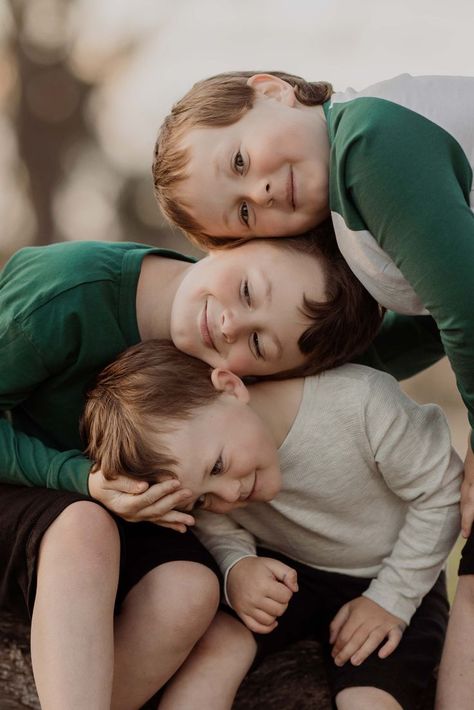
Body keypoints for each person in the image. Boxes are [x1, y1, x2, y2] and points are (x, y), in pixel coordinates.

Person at [152, 70, 474, 708]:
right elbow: (432, 322)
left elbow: (465, 308)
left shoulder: (368, 145)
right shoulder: (353, 218)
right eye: (244, 211)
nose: (263, 191)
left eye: (240, 160)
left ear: (271, 88)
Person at [0, 228, 379, 708]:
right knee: (84, 525)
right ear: (231, 239)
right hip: (30, 486)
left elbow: (386, 348)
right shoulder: (68, 291)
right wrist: (80, 479)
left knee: (191, 589)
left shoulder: (208, 366)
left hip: (114, 503)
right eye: (246, 291)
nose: (230, 325)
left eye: (259, 344)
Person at [82, 338, 462, 710]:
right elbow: (214, 526)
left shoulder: (360, 403)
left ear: (230, 388)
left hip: (394, 572)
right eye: (201, 499)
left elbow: (442, 491)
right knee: (219, 643)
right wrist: (237, 567)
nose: (228, 496)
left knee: (367, 697)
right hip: (291, 570)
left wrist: (391, 599)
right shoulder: (212, 480)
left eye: (217, 466)